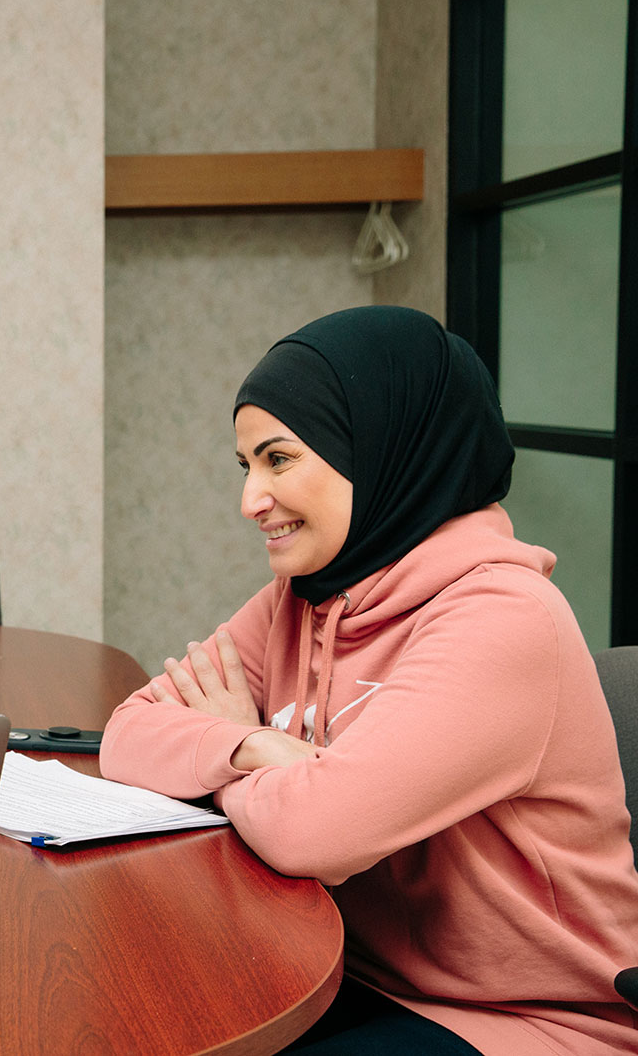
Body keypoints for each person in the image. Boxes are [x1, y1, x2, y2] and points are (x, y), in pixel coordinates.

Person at [99, 306, 638, 1055]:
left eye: (278, 459)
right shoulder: (307, 596)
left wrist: (226, 756)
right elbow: (126, 734)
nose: (250, 500)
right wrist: (254, 745)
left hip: (528, 1021)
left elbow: (314, 832)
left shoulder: (504, 621)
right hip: (352, 975)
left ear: (381, 447)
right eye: (246, 465)